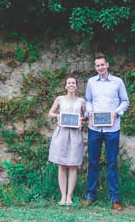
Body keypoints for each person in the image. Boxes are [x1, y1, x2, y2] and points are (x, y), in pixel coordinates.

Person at [84, 52, 129, 211]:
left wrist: (116, 112)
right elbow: (88, 101)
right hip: (94, 128)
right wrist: (89, 112)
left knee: (112, 163)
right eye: (97, 65)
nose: (100, 67)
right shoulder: (91, 82)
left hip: (112, 128)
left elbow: (125, 101)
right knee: (93, 162)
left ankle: (115, 199)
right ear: (95, 67)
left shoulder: (118, 82)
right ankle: (90, 195)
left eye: (102, 64)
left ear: (107, 65)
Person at [47, 76, 86, 206]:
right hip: (62, 134)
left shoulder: (81, 101)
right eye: (68, 83)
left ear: (76, 86)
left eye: (73, 83)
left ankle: (70, 196)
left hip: (75, 135)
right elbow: (50, 113)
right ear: (65, 86)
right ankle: (62, 196)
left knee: (73, 164)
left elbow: (86, 116)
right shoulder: (60, 99)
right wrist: (58, 116)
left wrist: (81, 120)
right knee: (62, 165)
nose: (71, 85)